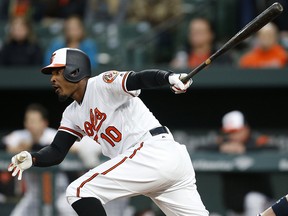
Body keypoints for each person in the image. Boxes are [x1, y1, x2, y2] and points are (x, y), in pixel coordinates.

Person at [7, 47, 208, 216]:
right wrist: (33, 158)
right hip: (160, 162)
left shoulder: (102, 84)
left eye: (57, 72)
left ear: (74, 71)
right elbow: (57, 151)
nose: (52, 79)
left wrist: (168, 77)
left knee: (79, 191)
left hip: (152, 152)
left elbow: (138, 79)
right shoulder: (72, 113)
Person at [197, 110, 277, 216]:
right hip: (236, 209)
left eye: (236, 131)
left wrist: (245, 149)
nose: (233, 136)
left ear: (246, 129)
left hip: (265, 207)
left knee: (252, 199)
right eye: (229, 132)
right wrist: (221, 148)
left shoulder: (256, 141)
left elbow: (274, 149)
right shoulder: (223, 146)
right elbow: (199, 150)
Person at [2, 103, 58, 216]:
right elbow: (3, 144)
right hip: (33, 194)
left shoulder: (53, 135)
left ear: (44, 123)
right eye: (27, 120)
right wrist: (15, 149)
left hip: (58, 192)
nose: (29, 124)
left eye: (33, 121)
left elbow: (74, 148)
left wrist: (31, 147)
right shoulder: (21, 136)